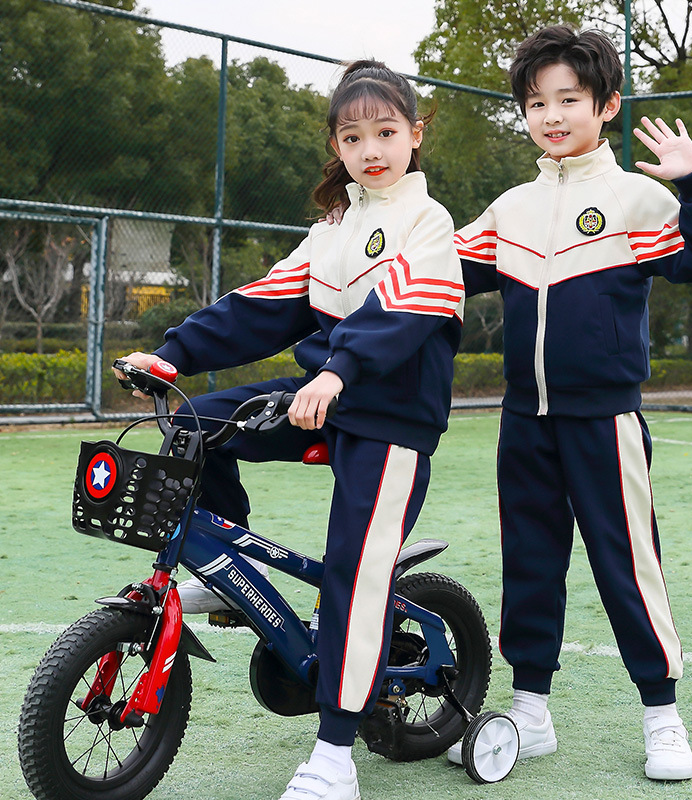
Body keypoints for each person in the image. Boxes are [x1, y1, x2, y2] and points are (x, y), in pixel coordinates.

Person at [116, 59, 464, 800]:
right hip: (323, 397)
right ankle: (229, 579)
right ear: (336, 146)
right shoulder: (332, 228)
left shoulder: (427, 223)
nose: (371, 149)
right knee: (197, 423)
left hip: (390, 416)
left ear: (415, 134)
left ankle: (335, 757)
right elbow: (263, 303)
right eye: (352, 137)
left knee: (354, 572)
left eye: (386, 132)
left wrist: (337, 373)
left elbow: (399, 314)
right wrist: (172, 356)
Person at [448, 25, 692, 781]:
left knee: (627, 565)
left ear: (606, 105)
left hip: (605, 422)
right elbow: (438, 271)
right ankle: (530, 712)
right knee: (530, 563)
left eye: (569, 99)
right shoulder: (510, 208)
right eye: (536, 102)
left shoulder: (637, 198)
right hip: (523, 421)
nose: (551, 115)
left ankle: (662, 716)